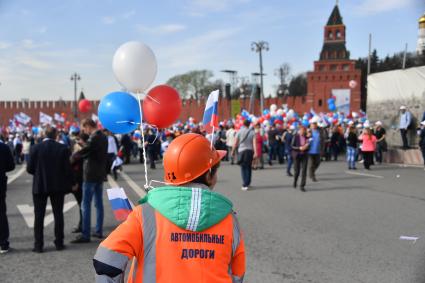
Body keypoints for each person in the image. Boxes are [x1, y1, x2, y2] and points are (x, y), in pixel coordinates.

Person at [93, 133, 246, 282]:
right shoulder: (229, 220)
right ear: (208, 176)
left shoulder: (144, 214)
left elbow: (106, 260)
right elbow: (237, 274)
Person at [27, 126, 73, 252]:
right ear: (55, 135)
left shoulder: (35, 148)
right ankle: (59, 243)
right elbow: (67, 169)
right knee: (58, 215)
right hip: (58, 186)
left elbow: (29, 169)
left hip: (40, 185)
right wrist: (72, 183)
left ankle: (38, 245)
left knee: (39, 216)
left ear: (44, 135)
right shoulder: (63, 148)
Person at [72, 119, 108, 243]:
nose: (84, 131)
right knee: (98, 203)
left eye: (84, 128)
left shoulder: (94, 137)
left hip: (90, 174)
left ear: (88, 126)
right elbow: (93, 151)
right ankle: (98, 230)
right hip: (100, 174)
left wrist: (73, 156)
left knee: (85, 204)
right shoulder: (103, 137)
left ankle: (85, 234)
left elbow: (86, 151)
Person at [70, 132, 90, 234]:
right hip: (83, 179)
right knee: (82, 204)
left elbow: (72, 161)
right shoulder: (86, 150)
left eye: (79, 140)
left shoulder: (81, 152)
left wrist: (76, 153)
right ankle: (82, 224)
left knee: (82, 204)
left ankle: (83, 225)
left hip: (80, 180)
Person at [0, 136, 15, 254]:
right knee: (1, 213)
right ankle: (3, 243)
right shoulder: (3, 147)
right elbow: (11, 166)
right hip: (0, 183)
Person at [232, 120, 256, 191]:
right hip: (250, 150)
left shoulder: (239, 131)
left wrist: (233, 150)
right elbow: (254, 143)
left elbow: (236, 142)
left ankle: (245, 184)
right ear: (249, 124)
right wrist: (255, 152)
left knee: (243, 167)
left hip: (242, 150)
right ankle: (248, 182)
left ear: (243, 124)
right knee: (248, 167)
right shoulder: (252, 132)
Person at [291, 126, 310, 192]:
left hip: (304, 155)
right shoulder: (295, 137)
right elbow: (292, 146)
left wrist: (307, 146)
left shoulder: (306, 137)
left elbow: (309, 145)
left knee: (304, 170)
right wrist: (299, 148)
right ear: (299, 131)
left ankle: (302, 186)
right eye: (301, 130)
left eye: (303, 130)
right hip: (297, 155)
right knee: (297, 171)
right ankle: (295, 181)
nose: (302, 132)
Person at [307, 117, 322, 182]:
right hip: (310, 151)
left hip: (318, 150)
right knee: (311, 164)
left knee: (317, 163)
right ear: (310, 125)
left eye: (315, 124)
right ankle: (313, 176)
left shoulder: (320, 132)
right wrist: (307, 136)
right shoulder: (308, 132)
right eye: (312, 125)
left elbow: (323, 140)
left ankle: (311, 172)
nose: (313, 126)